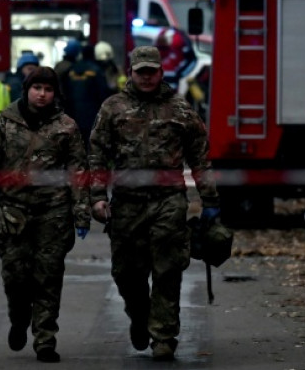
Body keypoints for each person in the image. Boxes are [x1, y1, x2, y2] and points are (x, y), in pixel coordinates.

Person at [87, 45, 220, 361]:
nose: (146, 77)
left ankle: (163, 336)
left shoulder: (180, 110)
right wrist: (97, 197)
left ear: (161, 72)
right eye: (141, 72)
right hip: (127, 203)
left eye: (152, 71)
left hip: (168, 201)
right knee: (126, 273)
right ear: (130, 73)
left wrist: (210, 198)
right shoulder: (113, 108)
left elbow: (200, 157)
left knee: (168, 269)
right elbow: (97, 154)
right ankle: (140, 315)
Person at [0, 66, 91, 363]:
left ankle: (45, 339)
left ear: (55, 94)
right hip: (13, 212)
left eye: (48, 90)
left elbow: (78, 171)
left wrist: (81, 212)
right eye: (37, 88)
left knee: (49, 276)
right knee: (15, 277)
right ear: (27, 90)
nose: (42, 94)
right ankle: (19, 317)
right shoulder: (5, 123)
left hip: (53, 213)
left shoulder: (66, 127)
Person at [60, 43, 110, 147]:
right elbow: (103, 93)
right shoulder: (96, 70)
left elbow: (64, 91)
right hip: (92, 113)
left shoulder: (71, 69)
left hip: (73, 112)